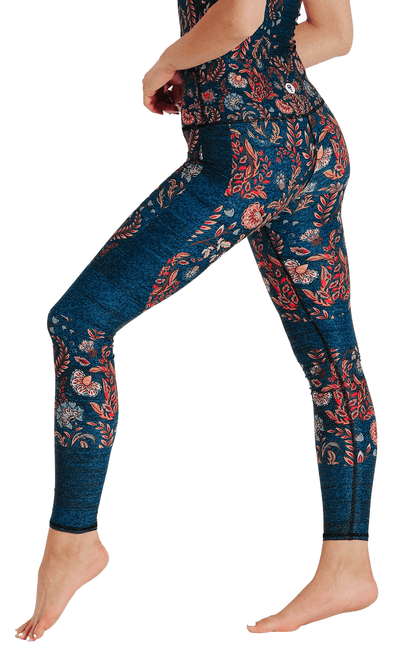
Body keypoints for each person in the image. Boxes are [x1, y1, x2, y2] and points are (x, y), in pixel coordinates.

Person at [15, 0, 378, 641]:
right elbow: (335, 33)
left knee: (80, 324)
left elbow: (238, 15)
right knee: (332, 364)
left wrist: (170, 62)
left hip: (243, 156)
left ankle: (74, 538)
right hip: (312, 146)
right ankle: (348, 565)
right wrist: (228, 67)